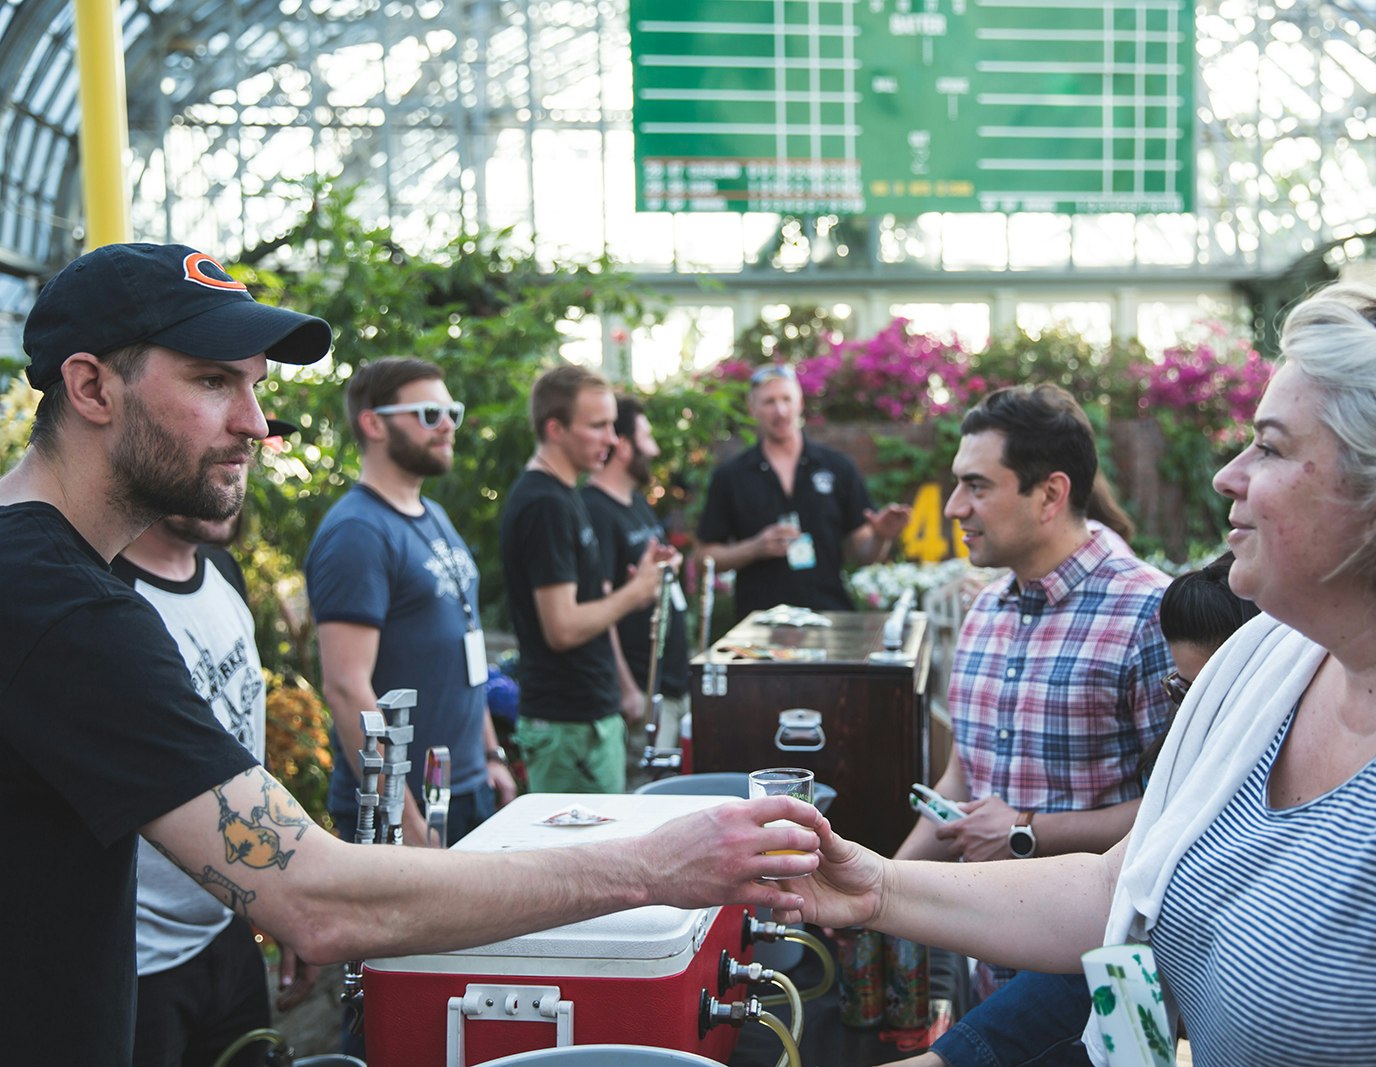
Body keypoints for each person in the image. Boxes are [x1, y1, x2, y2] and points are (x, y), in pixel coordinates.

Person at [0, 242, 823, 1067]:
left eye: (254, 383)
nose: (255, 420)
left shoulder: (53, 574)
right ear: (90, 387)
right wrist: (654, 865)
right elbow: (313, 896)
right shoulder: (60, 603)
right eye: (214, 381)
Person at [781, 286, 1376, 1066]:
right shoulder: (1275, 658)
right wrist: (878, 886)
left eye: (1271, 446)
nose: (1227, 475)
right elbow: (1119, 887)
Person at [913, 553, 1258, 1067]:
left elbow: (1111, 921)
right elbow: (1114, 923)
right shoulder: (985, 608)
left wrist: (1022, 832)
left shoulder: (1135, 606)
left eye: (1210, 694)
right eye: (1180, 691)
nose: (1191, 715)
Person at [892, 383, 1175, 998]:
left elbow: (1177, 814)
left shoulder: (1149, 613)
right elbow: (960, 782)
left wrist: (1027, 829)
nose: (952, 508)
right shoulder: (987, 609)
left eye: (977, 486)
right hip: (984, 967)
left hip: (1094, 986)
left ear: (1049, 494)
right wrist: (880, 884)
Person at [306, 357, 518, 850]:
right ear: (373, 422)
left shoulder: (434, 515)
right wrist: (406, 821)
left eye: (452, 413)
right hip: (403, 808)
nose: (446, 426)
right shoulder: (358, 533)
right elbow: (345, 686)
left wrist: (491, 756)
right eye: (427, 414)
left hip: (464, 788)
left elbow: (465, 644)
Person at [113, 510, 274, 1067]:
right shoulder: (107, 596)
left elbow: (245, 740)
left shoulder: (222, 569)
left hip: (230, 927)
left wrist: (270, 902)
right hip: (142, 963)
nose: (241, 447)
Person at [500, 364, 680, 793]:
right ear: (555, 428)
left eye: (613, 426)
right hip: (568, 728)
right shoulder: (544, 503)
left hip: (587, 722)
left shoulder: (565, 494)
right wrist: (636, 591)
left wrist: (635, 591)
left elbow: (589, 600)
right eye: (598, 426)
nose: (613, 439)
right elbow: (562, 627)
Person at [697, 362, 909, 618]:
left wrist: (881, 537)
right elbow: (703, 558)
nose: (780, 410)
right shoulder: (731, 477)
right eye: (769, 402)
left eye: (787, 399)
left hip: (829, 616)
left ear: (800, 402)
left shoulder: (838, 467)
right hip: (760, 626)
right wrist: (754, 548)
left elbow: (863, 554)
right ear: (752, 409)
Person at [582, 395, 691, 789]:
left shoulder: (637, 502)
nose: (655, 449)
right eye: (646, 437)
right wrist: (628, 689)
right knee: (646, 800)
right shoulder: (594, 509)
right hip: (642, 693)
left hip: (671, 686)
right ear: (623, 445)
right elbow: (599, 605)